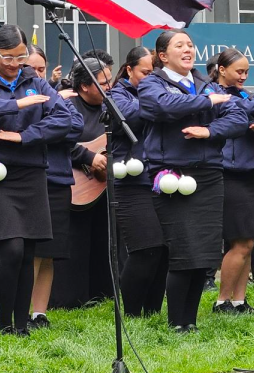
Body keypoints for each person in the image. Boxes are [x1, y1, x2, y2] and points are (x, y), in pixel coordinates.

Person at [0, 25, 73, 335]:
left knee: (26, 251)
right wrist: (15, 105)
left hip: (31, 171)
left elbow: (63, 118)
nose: (14, 63)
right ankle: (4, 323)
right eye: (8, 57)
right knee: (9, 247)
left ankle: (21, 324)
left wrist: (24, 136)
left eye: (20, 56)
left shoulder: (35, 81)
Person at [139, 30, 246, 331]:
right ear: (163, 56)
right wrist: (206, 103)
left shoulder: (205, 84)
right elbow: (160, 107)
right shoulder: (153, 83)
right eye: (179, 45)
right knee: (185, 251)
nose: (188, 49)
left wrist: (210, 131)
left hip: (209, 174)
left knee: (205, 254)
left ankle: (191, 322)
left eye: (190, 45)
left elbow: (238, 117)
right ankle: (176, 323)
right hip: (172, 175)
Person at [211, 49, 254, 315]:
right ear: (222, 69)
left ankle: (239, 300)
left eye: (247, 72)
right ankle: (222, 301)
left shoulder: (246, 95)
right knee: (239, 242)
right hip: (231, 173)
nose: (244, 76)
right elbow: (252, 108)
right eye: (239, 71)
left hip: (253, 172)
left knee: (248, 242)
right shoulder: (211, 94)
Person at [50, 57, 114, 313]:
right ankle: (67, 299)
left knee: (103, 241)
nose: (109, 86)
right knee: (73, 244)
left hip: (103, 191)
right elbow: (58, 140)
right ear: (85, 86)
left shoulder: (112, 109)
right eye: (103, 83)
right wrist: (89, 157)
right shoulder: (66, 105)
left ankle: (102, 294)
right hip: (73, 185)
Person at [28, 46, 85, 329]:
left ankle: (40, 312)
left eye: (41, 69)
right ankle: (22, 309)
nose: (38, 75)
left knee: (50, 250)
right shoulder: (19, 98)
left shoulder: (59, 98)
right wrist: (49, 126)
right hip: (30, 178)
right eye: (32, 68)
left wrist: (40, 130)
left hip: (59, 178)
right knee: (31, 250)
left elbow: (75, 128)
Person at [108, 46, 166, 317]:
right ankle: (129, 313)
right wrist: (158, 100)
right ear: (129, 69)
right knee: (146, 247)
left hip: (161, 177)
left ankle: (152, 312)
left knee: (163, 250)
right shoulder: (117, 93)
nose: (150, 77)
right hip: (131, 181)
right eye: (145, 72)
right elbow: (129, 118)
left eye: (155, 72)